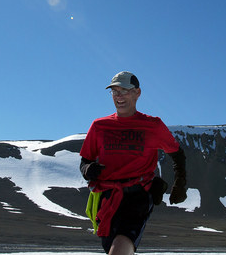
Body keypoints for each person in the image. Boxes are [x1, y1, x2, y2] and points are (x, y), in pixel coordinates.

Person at [80, 71, 187, 254]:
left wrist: (180, 184)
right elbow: (85, 160)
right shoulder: (99, 126)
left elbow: (177, 154)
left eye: (125, 90)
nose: (119, 96)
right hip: (107, 199)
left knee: (120, 247)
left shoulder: (152, 125)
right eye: (115, 91)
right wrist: (88, 169)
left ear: (137, 93)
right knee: (112, 248)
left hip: (138, 197)